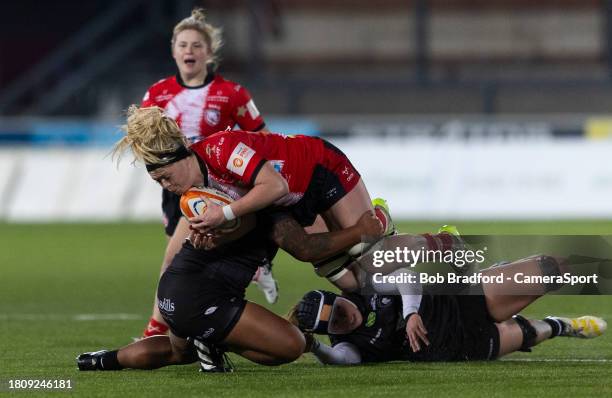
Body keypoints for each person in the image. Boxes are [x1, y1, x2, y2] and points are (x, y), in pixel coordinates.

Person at [113, 106, 397, 292]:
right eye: (158, 181)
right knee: (341, 274)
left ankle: (425, 248)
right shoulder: (192, 197)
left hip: (318, 169)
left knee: (370, 253)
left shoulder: (221, 150)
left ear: (180, 158)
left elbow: (276, 185)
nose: (166, 186)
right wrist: (213, 236)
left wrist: (222, 216)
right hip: (284, 203)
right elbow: (247, 219)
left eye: (165, 177)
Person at [77, 205, 384, 372]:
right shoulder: (270, 207)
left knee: (176, 353)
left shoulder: (225, 194)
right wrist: (359, 231)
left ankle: (103, 360)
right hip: (202, 298)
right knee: (291, 345)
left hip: (177, 291)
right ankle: (213, 341)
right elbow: (307, 249)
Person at [139, 8, 276, 339]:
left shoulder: (233, 94)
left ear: (209, 52)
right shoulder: (158, 94)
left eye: (197, 45)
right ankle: (241, 283)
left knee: (177, 258)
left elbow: (262, 136)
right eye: (183, 45)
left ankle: (160, 329)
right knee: (189, 256)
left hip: (217, 185)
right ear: (173, 51)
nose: (189, 51)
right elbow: (144, 138)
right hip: (177, 187)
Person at [291, 256, 607, 365]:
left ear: (339, 297)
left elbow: (407, 277)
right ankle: (562, 326)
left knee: (548, 269)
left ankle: (496, 273)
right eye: (336, 324)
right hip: (456, 347)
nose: (346, 318)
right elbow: (341, 361)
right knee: (529, 332)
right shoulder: (345, 347)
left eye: (340, 309)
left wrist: (411, 313)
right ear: (329, 332)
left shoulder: (362, 290)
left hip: (460, 300)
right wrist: (315, 347)